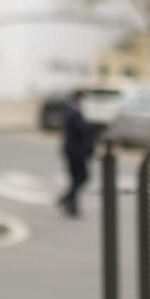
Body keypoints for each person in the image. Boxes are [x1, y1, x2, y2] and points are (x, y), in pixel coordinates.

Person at [57, 90, 95, 218]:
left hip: (71, 149)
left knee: (76, 178)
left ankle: (70, 203)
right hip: (75, 150)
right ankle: (68, 199)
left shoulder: (70, 111)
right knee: (81, 177)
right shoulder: (74, 113)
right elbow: (83, 130)